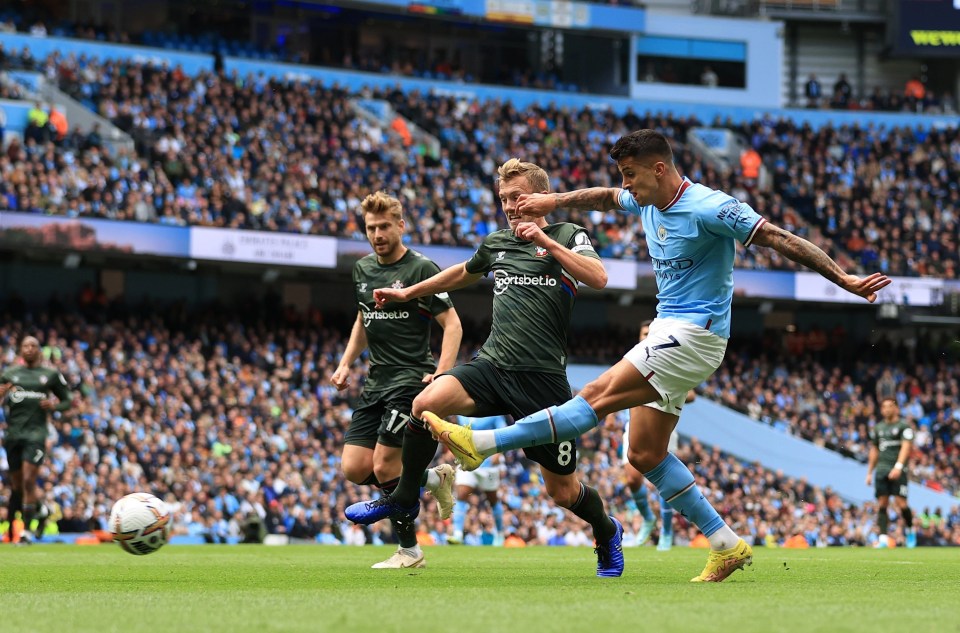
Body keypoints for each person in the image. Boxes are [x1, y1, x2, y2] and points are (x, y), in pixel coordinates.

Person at [427, 129, 891, 582]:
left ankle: (484, 445)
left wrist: (844, 279)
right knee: (645, 452)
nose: (626, 185)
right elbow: (607, 197)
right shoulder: (644, 199)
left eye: (631, 174)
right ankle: (727, 544)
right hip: (672, 327)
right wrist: (556, 200)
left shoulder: (711, 206)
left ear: (660, 168)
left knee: (596, 394)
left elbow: (781, 239)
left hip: (696, 332)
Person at [346, 159, 625, 578]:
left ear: (541, 196)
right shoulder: (497, 242)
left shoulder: (569, 234)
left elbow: (599, 277)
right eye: (504, 199)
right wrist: (408, 295)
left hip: (544, 381)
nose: (511, 206)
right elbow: (459, 274)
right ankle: (405, 497)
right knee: (426, 403)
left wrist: (546, 243)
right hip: (492, 366)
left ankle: (606, 531)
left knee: (563, 492)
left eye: (518, 197)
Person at [330, 191, 462, 569]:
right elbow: (363, 318)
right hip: (375, 381)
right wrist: (345, 363)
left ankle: (409, 551)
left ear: (401, 225)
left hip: (410, 381)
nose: (377, 234)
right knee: (355, 468)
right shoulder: (362, 270)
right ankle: (434, 480)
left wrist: (442, 375)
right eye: (371, 228)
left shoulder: (422, 268)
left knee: (387, 466)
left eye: (385, 226)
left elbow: (452, 324)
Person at [614, 319, 695, 551]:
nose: (646, 336)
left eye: (650, 332)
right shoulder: (633, 358)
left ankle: (667, 531)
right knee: (631, 478)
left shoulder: (668, 357)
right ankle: (649, 519)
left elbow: (691, 395)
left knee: (663, 482)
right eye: (643, 333)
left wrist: (664, 392)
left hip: (663, 425)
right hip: (635, 424)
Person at [0, 336, 73, 543]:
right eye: (25, 346)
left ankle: (25, 532)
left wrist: (54, 406)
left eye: (33, 346)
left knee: (28, 480)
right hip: (13, 435)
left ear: (39, 350)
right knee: (17, 487)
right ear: (20, 350)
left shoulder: (49, 375)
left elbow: (67, 400)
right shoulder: (9, 374)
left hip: (36, 435)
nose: (29, 349)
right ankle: (41, 510)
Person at [449, 414, 508, 545]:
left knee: (493, 500)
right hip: (467, 461)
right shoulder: (461, 414)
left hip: (488, 465)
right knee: (462, 494)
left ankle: (499, 533)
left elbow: (504, 434)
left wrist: (499, 453)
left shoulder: (495, 414)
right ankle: (457, 534)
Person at [865, 397, 916, 548]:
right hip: (881, 470)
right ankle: (883, 539)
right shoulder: (878, 428)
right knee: (882, 503)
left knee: (901, 503)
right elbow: (874, 450)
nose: (886, 409)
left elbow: (906, 447)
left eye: (889, 406)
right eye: (884, 407)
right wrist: (869, 472)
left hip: (898, 470)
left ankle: (910, 530)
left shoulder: (903, 426)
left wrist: (899, 466)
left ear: (896, 409)